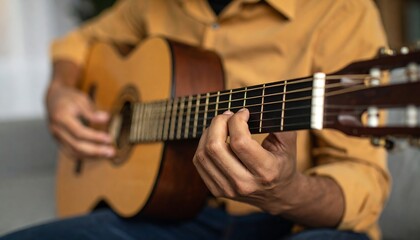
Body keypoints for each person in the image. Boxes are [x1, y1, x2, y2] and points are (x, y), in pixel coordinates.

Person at [1, 0, 390, 239]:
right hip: (165, 218)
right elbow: (80, 42)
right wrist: (60, 90)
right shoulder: (152, 4)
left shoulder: (342, 11)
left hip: (296, 227)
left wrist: (286, 192)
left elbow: (363, 183)